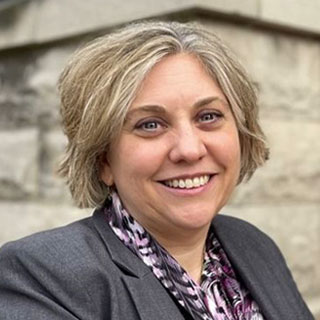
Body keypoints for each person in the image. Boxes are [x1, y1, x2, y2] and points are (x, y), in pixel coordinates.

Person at [0, 21, 314, 320]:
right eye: (150, 124)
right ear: (103, 160)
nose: (190, 150)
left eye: (208, 116)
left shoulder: (254, 245)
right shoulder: (43, 276)